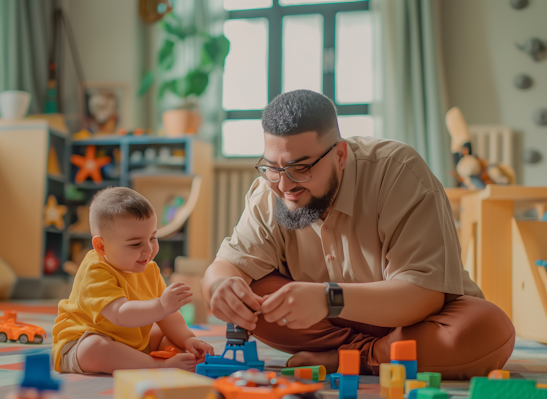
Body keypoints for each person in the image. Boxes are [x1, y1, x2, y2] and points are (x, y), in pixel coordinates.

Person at [203, 90, 515, 380]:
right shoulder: (269, 190)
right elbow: (225, 266)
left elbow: (423, 295)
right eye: (272, 167)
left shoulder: (399, 172)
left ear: (340, 155)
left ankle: (351, 358)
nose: (285, 186)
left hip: (416, 322)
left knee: (485, 329)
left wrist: (329, 298)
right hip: (333, 326)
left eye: (301, 169)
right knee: (255, 294)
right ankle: (381, 356)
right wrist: (221, 288)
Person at [52, 187, 213, 374]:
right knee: (94, 347)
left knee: (169, 334)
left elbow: (167, 315)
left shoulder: (149, 268)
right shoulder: (94, 270)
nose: (148, 250)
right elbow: (120, 313)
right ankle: (157, 364)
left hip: (131, 343)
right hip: (83, 341)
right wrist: (162, 305)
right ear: (101, 246)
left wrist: (188, 340)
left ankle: (162, 358)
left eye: (153, 237)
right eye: (136, 244)